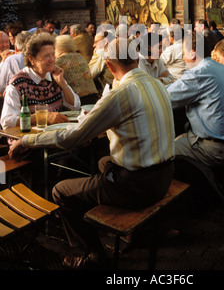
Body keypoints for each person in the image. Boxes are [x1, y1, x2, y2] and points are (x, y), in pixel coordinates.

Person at [9, 37, 175, 270]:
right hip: (165, 174)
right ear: (137, 59)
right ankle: (113, 219)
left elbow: (73, 137)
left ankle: (91, 254)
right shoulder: (157, 84)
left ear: (108, 65)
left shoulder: (121, 93)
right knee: (103, 161)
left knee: (61, 191)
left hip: (139, 186)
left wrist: (27, 140)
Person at [167, 31, 224, 168]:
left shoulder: (199, 73)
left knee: (163, 152)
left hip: (215, 149)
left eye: (183, 53)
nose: (183, 57)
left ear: (192, 53)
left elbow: (165, 98)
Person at [0, 32, 80, 129]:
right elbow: (6, 121)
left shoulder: (54, 76)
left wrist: (62, 83)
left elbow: (75, 106)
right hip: (29, 139)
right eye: (46, 56)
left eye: (53, 55)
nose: (52, 60)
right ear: (31, 59)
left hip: (55, 134)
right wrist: (41, 117)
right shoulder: (18, 84)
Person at [55, 35, 99, 105]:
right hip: (94, 98)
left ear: (58, 47)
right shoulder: (80, 56)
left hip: (77, 101)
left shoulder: (59, 62)